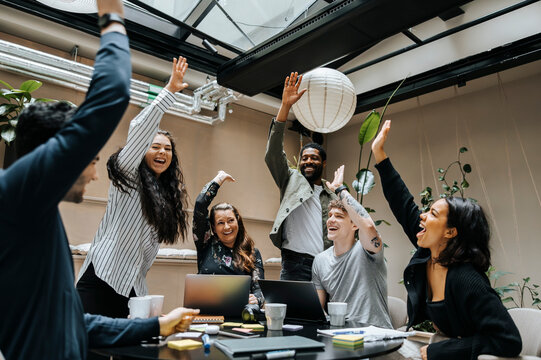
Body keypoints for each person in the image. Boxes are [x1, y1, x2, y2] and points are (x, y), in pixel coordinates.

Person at [0, 1, 198, 359]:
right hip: (103, 280)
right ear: (58, 154)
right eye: (88, 160)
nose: (94, 173)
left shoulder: (40, 224)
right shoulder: (14, 196)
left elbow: (79, 323)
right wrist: (112, 16)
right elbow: (112, 96)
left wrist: (159, 325)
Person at [372, 120, 522, 359]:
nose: (422, 215)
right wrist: (379, 154)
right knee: (380, 350)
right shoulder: (428, 253)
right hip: (444, 343)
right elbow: (403, 203)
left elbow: (509, 340)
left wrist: (443, 350)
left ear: (450, 232)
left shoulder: (467, 279)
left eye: (432, 213)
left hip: (461, 353)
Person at [76, 55, 190, 318]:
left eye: (167, 149)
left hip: (133, 287)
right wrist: (169, 91)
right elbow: (139, 127)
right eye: (155, 146)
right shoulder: (127, 175)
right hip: (101, 280)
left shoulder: (164, 196)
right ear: (142, 152)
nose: (162, 151)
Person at [265, 72, 337, 281]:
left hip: (325, 264)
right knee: (290, 312)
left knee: (321, 314)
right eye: (304, 158)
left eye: (313, 158)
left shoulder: (331, 195)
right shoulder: (290, 179)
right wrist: (285, 106)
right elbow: (273, 153)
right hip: (294, 263)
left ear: (323, 163)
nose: (307, 161)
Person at [311, 165, 392, 329]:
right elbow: (317, 309)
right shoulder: (320, 261)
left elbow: (369, 227)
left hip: (374, 334)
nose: (331, 220)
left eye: (339, 216)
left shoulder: (368, 250)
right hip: (340, 333)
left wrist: (340, 190)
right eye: (330, 215)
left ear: (355, 224)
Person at [193, 171, 265, 306]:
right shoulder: (205, 243)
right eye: (220, 222)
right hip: (207, 312)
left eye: (231, 220)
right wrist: (219, 179)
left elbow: (259, 290)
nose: (227, 227)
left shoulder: (253, 253)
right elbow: (200, 206)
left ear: (238, 222)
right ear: (213, 228)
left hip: (240, 315)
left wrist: (257, 299)